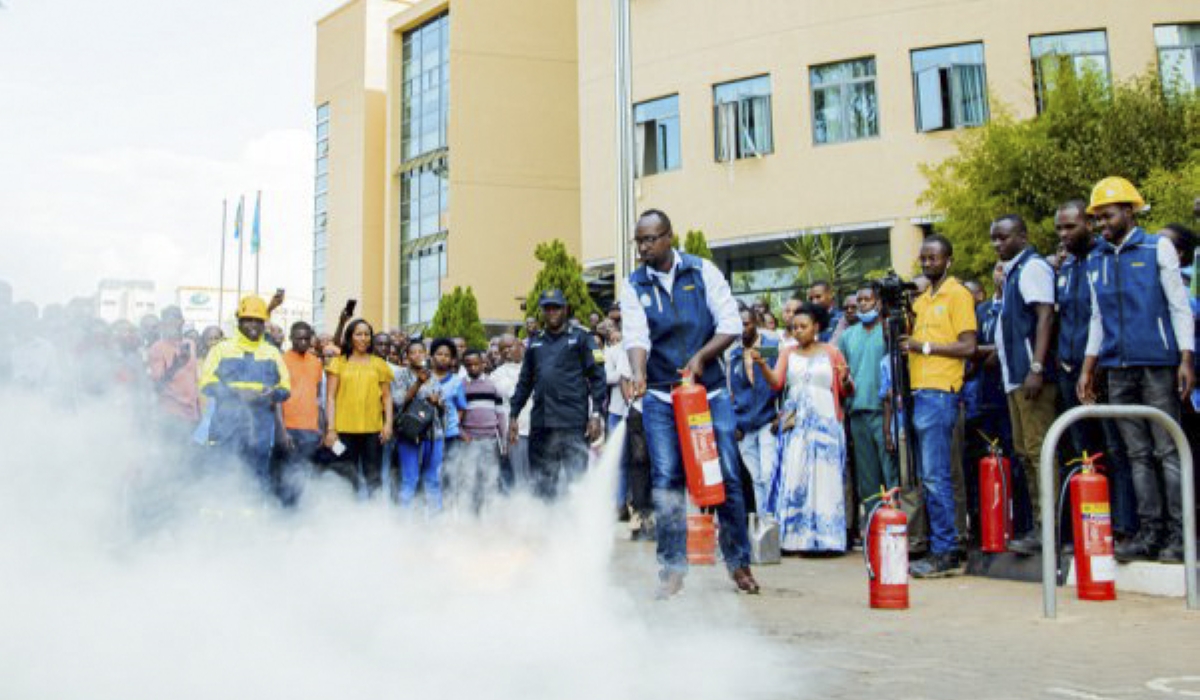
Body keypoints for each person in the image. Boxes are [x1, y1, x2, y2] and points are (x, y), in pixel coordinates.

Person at [620, 209, 758, 598]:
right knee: (667, 479)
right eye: (639, 241)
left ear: (669, 237)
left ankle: (739, 563)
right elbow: (636, 336)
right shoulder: (634, 285)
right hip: (663, 396)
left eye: (651, 239)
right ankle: (672, 568)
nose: (644, 247)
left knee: (727, 473)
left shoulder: (701, 272)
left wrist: (701, 358)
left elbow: (730, 322)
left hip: (708, 392)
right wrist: (638, 372)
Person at [1078, 177, 1195, 563]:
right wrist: (1088, 367)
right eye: (1096, 218)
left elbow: (1179, 306)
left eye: (1107, 215)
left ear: (1129, 211)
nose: (1101, 223)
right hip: (1116, 367)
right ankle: (1150, 532)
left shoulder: (1156, 247)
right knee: (1136, 454)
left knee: (1167, 450)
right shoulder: (1096, 257)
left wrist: (1186, 358)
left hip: (1157, 364)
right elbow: (1097, 316)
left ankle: (1180, 536)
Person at [1056, 200, 1137, 538]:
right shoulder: (1065, 265)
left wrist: (1096, 367)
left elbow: (1106, 316)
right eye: (1059, 228)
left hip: (1105, 369)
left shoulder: (1106, 257)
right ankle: (1086, 529)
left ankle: (1124, 525)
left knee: (1116, 449)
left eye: (1070, 227)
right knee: (1080, 451)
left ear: (1089, 224)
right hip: (1068, 370)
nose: (1063, 234)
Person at [902, 235, 977, 578]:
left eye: (933, 258)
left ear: (948, 259)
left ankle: (945, 550)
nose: (927, 264)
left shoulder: (957, 294)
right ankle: (941, 545)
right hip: (920, 390)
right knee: (928, 476)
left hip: (941, 390)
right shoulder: (922, 300)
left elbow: (967, 346)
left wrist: (924, 347)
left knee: (936, 476)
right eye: (923, 259)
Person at [989, 214, 1058, 554]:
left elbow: (1045, 315)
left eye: (1003, 237)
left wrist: (1036, 365)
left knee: (1039, 449)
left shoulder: (1033, 267)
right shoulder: (1012, 273)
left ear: (1022, 235)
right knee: (1025, 451)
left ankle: (1052, 528)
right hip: (1013, 376)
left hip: (1032, 376)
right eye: (994, 239)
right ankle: (1039, 525)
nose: (998, 244)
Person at [756, 303, 850, 552]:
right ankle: (795, 540)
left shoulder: (832, 352)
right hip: (797, 424)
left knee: (825, 478)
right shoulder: (788, 352)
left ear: (816, 327)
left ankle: (827, 540)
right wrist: (763, 365)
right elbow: (776, 382)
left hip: (825, 423)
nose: (797, 331)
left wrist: (846, 380)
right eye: (794, 327)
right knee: (795, 474)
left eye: (803, 326)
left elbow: (845, 390)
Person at [509, 289, 607, 499]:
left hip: (572, 421)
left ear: (565, 309)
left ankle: (576, 528)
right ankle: (547, 527)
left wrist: (597, 413)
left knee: (576, 481)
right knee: (542, 483)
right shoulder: (535, 342)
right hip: (542, 422)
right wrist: (514, 414)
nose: (552, 312)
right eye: (547, 308)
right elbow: (524, 382)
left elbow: (598, 377)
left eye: (556, 307)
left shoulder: (582, 338)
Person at [199, 296, 291, 491]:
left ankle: (255, 518)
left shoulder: (272, 352)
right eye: (248, 319)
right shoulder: (221, 349)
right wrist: (237, 393)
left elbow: (285, 388)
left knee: (257, 478)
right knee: (224, 475)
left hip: (261, 430)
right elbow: (206, 383)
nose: (253, 325)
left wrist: (272, 394)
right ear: (238, 320)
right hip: (227, 427)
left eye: (258, 321)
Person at [838, 286, 896, 517]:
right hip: (858, 411)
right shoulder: (847, 336)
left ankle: (895, 521)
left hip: (884, 411)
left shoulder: (888, 330)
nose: (862, 304)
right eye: (859, 300)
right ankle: (873, 524)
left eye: (867, 299)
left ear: (878, 303)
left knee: (890, 470)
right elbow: (842, 373)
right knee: (867, 475)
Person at [324, 319, 394, 495]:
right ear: (350, 337)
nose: (363, 338)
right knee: (346, 477)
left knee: (374, 477)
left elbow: (387, 397)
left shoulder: (379, 364)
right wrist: (331, 429)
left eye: (366, 334)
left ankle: (373, 517)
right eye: (358, 334)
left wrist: (388, 425)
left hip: (373, 431)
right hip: (344, 430)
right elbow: (330, 397)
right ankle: (348, 517)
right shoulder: (338, 363)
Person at [729, 307, 780, 516]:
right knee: (756, 477)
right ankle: (763, 524)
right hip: (744, 425)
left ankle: (773, 523)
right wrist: (734, 422)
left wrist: (782, 413)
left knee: (768, 473)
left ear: (756, 324)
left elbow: (781, 381)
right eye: (738, 324)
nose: (742, 329)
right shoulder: (733, 354)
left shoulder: (771, 348)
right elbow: (729, 391)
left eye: (746, 323)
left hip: (768, 420)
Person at [393, 339, 446, 511]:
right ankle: (404, 522)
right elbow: (399, 401)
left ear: (426, 354)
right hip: (410, 434)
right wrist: (418, 383)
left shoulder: (433, 377)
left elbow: (443, 408)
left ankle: (435, 520)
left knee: (432, 479)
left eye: (420, 352)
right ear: (407, 357)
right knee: (410, 479)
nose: (417, 355)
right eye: (412, 352)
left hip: (433, 434)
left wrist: (437, 403)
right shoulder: (401, 375)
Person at [450, 349, 505, 514]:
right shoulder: (460, 385)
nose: (473, 368)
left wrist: (503, 440)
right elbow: (453, 415)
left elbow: (500, 413)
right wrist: (460, 432)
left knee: (489, 478)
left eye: (476, 364)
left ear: (483, 364)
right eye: (469, 365)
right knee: (468, 478)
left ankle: (489, 514)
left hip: (490, 439)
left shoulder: (493, 385)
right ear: (464, 366)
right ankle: (470, 515)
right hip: (469, 440)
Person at [278, 321, 324, 505]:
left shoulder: (316, 362)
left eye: (307, 338)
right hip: (289, 428)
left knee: (306, 474)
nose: (303, 342)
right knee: (287, 475)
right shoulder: (281, 360)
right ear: (291, 339)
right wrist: (282, 431)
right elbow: (276, 399)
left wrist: (321, 426)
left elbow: (318, 397)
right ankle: (285, 517)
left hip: (311, 430)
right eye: (299, 338)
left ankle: (301, 517)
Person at [146, 305, 200, 442]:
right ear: (163, 324)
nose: (171, 323)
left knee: (191, 459)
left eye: (175, 318)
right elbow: (157, 385)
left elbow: (194, 380)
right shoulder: (157, 348)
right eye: (167, 320)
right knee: (174, 459)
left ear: (182, 321)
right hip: (171, 414)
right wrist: (176, 365)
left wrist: (198, 411)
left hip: (192, 414)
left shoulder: (190, 344)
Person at [492, 337, 531, 488]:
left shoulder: (533, 367)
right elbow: (513, 392)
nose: (506, 351)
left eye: (510, 346)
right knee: (520, 477)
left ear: (521, 346)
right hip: (517, 431)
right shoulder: (497, 374)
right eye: (503, 349)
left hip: (538, 427)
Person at [431, 338, 468, 488]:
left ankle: (450, 505)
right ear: (432, 355)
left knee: (449, 471)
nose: (443, 357)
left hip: (450, 434)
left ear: (452, 359)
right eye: (439, 353)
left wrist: (454, 424)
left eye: (447, 355)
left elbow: (461, 407)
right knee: (431, 470)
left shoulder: (456, 381)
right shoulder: (424, 378)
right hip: (429, 434)